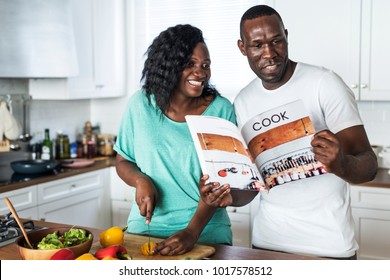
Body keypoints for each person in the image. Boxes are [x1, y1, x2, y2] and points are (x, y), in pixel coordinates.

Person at [199, 5, 378, 259]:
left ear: (286, 36)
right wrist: (227, 197)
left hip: (329, 248)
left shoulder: (324, 84)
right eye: (257, 45)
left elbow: (368, 166)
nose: (269, 53)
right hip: (267, 244)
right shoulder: (243, 101)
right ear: (242, 47)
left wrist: (340, 163)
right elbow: (251, 188)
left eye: (276, 41)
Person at [114, 24, 235, 256]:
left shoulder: (221, 110)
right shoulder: (140, 105)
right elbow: (123, 160)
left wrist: (192, 232)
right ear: (168, 65)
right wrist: (140, 180)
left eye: (205, 65)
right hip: (146, 228)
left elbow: (223, 183)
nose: (200, 73)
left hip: (205, 231)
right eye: (190, 64)